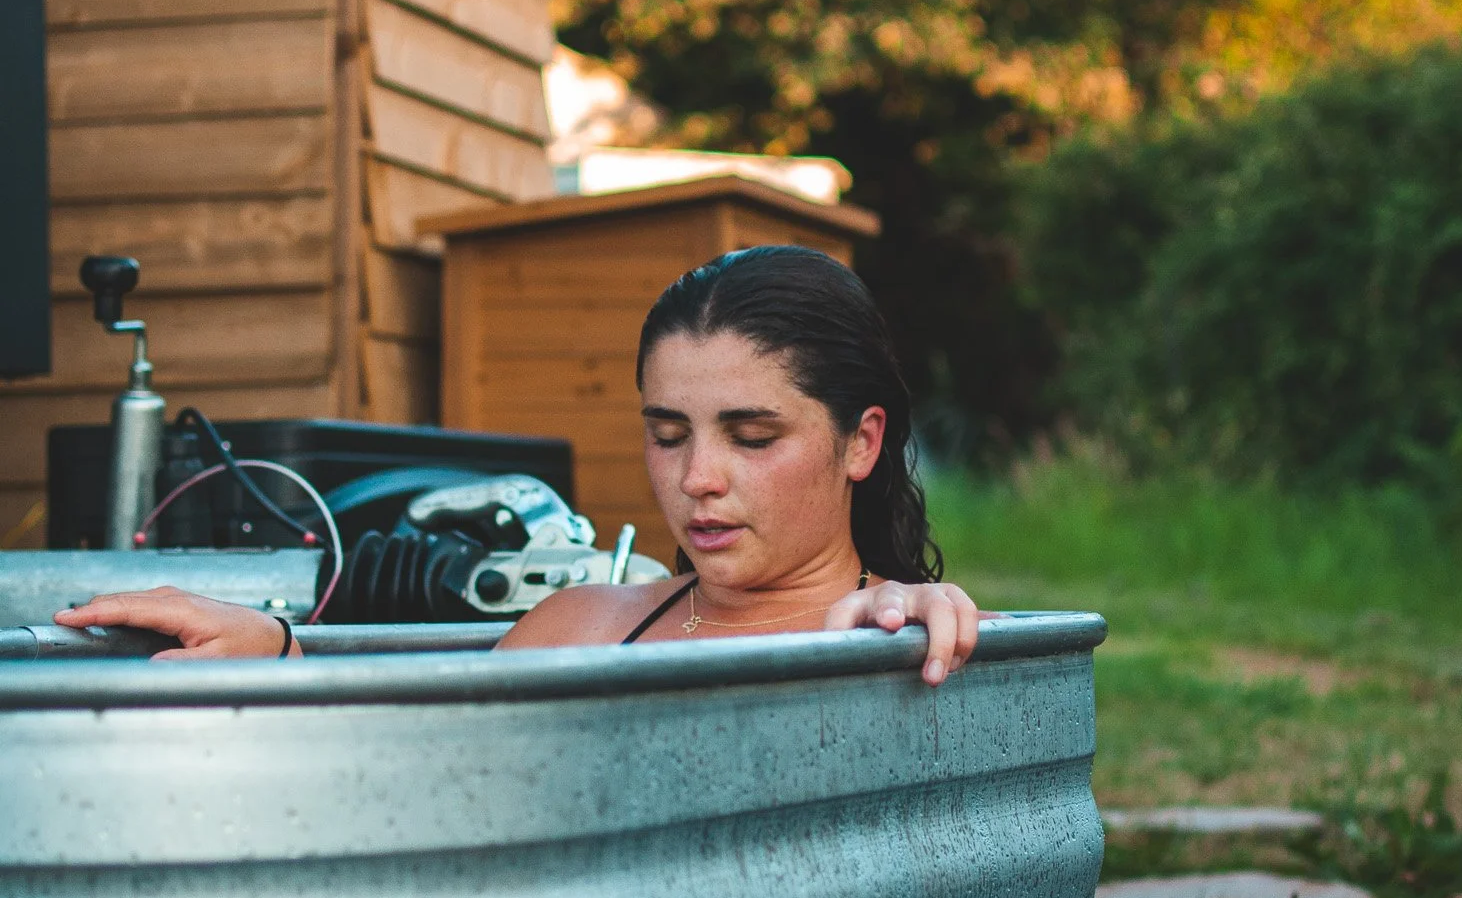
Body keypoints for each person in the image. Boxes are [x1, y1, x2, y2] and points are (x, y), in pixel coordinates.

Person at [56, 247, 980, 686]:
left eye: (750, 436)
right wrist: (278, 650)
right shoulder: (578, 626)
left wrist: (919, 618)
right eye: (668, 434)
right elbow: (425, 781)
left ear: (861, 442)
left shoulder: (896, 640)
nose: (698, 477)